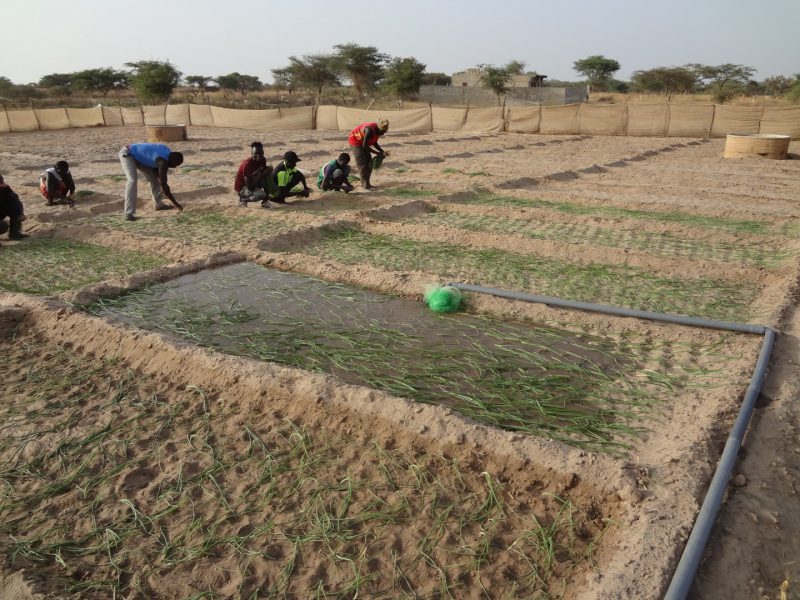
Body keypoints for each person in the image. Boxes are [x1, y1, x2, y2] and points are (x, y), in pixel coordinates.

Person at [119, 142, 184, 221]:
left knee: (154, 179)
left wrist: (162, 181)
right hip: (128, 153)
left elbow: (159, 176)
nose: (175, 167)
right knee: (132, 180)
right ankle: (128, 213)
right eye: (176, 164)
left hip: (140, 157)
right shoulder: (162, 162)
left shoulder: (167, 153)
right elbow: (164, 184)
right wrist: (176, 204)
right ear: (172, 160)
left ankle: (159, 205)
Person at [348, 118, 389, 190]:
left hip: (364, 142)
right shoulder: (369, 130)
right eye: (383, 132)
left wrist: (382, 151)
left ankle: (367, 183)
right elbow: (365, 146)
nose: (383, 133)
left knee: (370, 163)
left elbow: (374, 142)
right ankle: (365, 185)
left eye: (385, 132)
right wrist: (378, 153)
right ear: (379, 129)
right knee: (362, 164)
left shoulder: (378, 131)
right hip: (356, 141)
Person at [234, 142, 274, 207]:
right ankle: (242, 200)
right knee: (261, 194)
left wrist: (268, 171)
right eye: (256, 153)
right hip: (242, 187)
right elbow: (250, 187)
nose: (259, 155)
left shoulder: (263, 160)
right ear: (251, 154)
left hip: (253, 181)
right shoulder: (247, 165)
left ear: (263, 152)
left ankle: (265, 202)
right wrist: (264, 174)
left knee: (269, 176)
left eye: (261, 153)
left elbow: (262, 174)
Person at [0, 175, 29, 243]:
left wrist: (20, 213)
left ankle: (14, 234)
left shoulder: (5, 189)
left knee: (16, 210)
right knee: (2, 226)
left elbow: (15, 200)